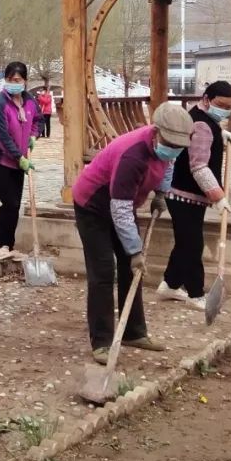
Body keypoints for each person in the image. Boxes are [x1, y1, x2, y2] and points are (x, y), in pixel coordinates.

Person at [72, 102, 194, 364]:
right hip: (93, 206)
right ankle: (102, 341)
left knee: (132, 269)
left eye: (177, 146)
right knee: (104, 271)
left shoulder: (172, 145)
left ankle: (133, 332)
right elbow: (120, 208)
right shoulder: (133, 155)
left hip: (121, 206)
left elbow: (169, 163)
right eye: (169, 143)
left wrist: (161, 191)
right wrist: (135, 250)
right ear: (156, 132)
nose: (173, 149)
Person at [159, 82, 231, 310]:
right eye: (220, 105)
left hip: (187, 194)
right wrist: (218, 196)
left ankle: (170, 285)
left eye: (229, 107)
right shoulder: (202, 124)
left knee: (185, 240)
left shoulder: (202, 119)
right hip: (183, 193)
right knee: (192, 244)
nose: (224, 110)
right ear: (206, 99)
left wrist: (220, 133)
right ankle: (195, 293)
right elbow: (199, 166)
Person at [0, 62, 44, 263]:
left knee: (15, 204)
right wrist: (19, 159)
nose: (13, 83)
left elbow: (39, 120)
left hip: (20, 160)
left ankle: (7, 246)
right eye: (9, 80)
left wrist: (34, 136)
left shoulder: (30, 101)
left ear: (25, 81)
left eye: (17, 80)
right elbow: (1, 137)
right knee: (8, 202)